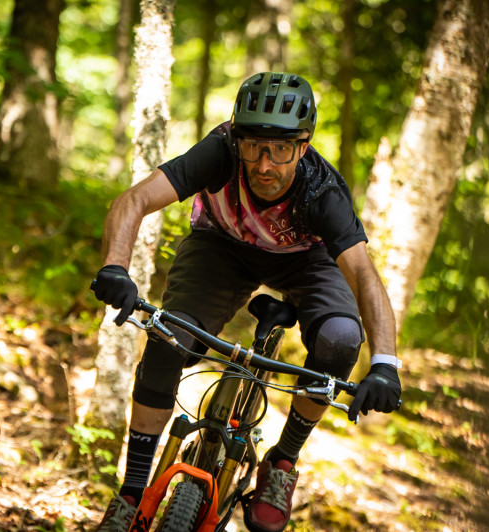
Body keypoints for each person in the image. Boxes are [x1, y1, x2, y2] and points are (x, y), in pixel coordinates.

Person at [91, 72, 402, 532]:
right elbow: (133, 200)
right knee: (168, 337)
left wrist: (385, 364)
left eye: (280, 148)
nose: (264, 163)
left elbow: (364, 277)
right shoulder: (219, 152)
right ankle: (133, 492)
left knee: (338, 340)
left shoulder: (322, 192)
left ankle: (281, 463)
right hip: (221, 246)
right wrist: (116, 267)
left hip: (307, 260)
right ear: (237, 138)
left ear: (303, 145)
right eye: (254, 144)